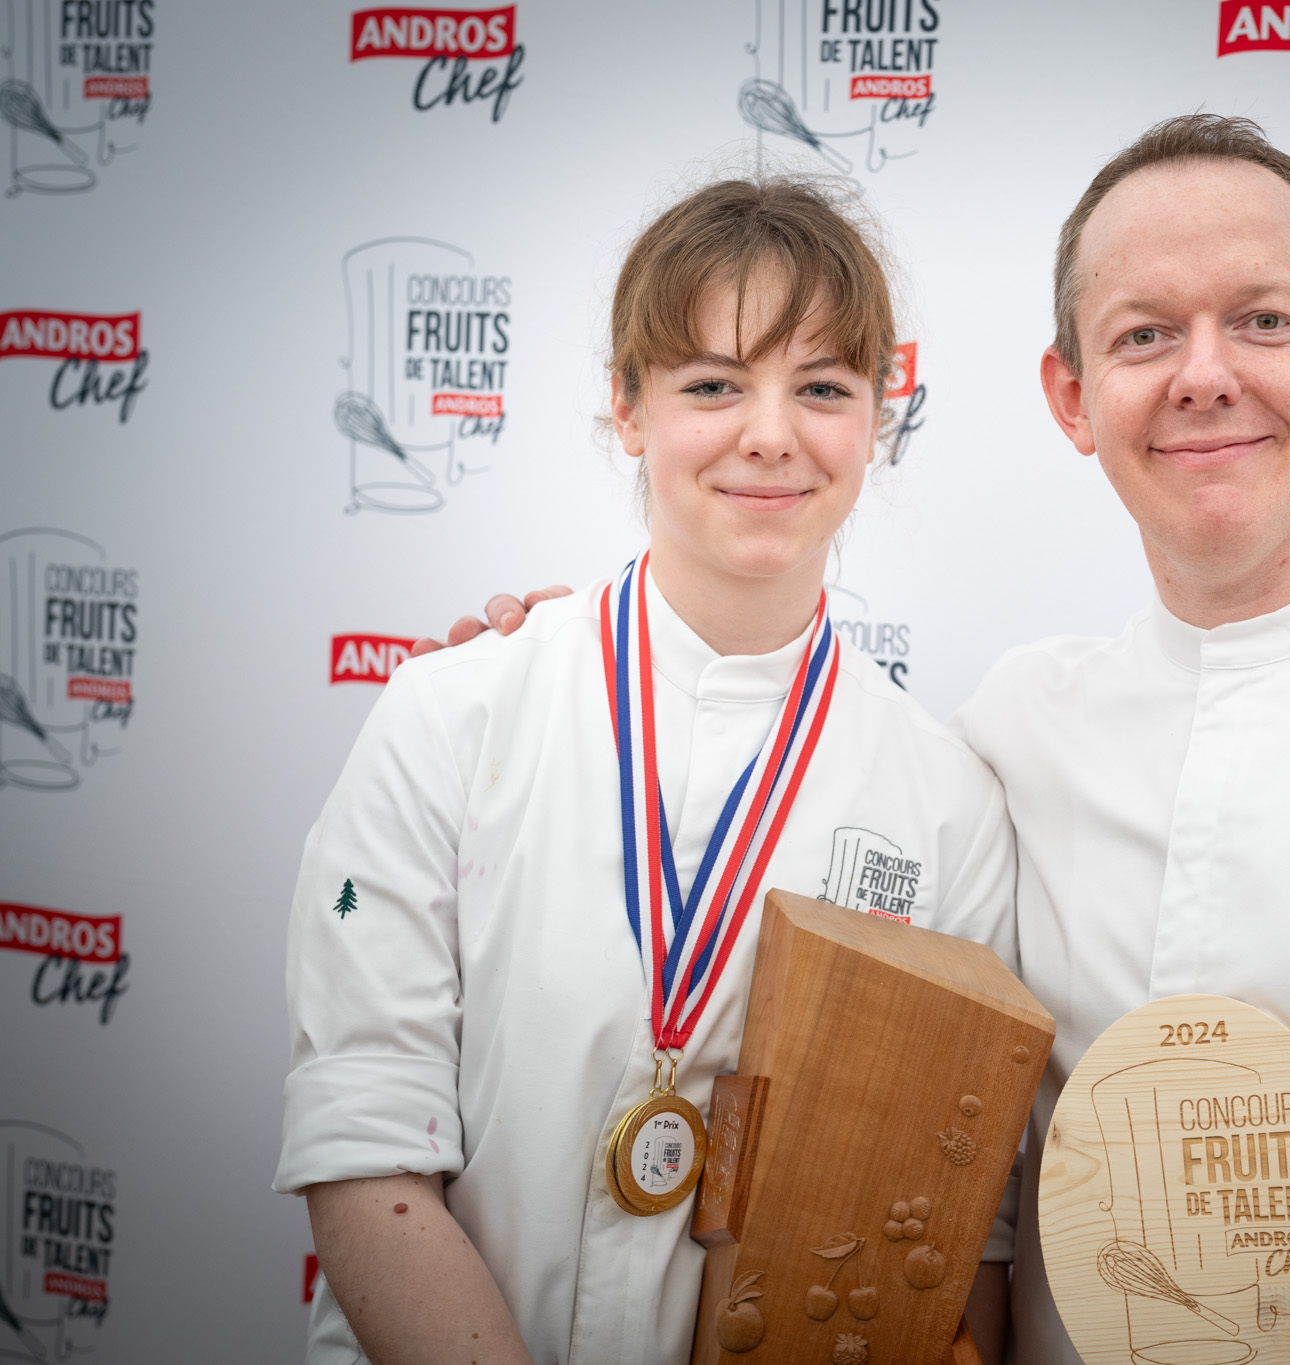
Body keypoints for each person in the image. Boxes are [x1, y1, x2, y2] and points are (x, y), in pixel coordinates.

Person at [435, 117, 1290, 1364]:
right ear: (1070, 395)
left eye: (1262, 322)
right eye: (1145, 334)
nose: (1203, 375)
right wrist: (583, 663)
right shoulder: (1007, 736)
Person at [276, 177, 1017, 1365]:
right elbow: (365, 1148)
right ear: (627, 408)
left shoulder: (950, 807)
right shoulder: (455, 708)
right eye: (712, 384)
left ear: (877, 418)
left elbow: (943, 1238)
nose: (769, 433)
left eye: (821, 387)